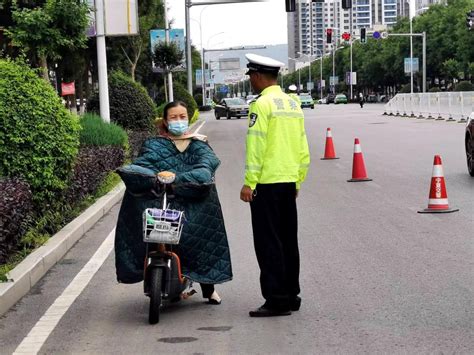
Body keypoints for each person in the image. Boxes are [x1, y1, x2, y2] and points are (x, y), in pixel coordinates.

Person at [115, 101, 232, 305]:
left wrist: (178, 178)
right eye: (174, 117)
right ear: (166, 121)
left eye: (182, 116)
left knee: (201, 234)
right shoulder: (154, 144)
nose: (179, 121)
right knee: (142, 216)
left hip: (191, 198)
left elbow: (206, 166)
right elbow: (142, 164)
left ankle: (209, 288)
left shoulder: (199, 143)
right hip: (161, 197)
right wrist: (155, 177)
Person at [240, 53, 310, 317]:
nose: (250, 83)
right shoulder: (293, 104)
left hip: (266, 184)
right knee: (288, 241)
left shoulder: (262, 105)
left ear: (257, 77)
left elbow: (256, 147)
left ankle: (277, 299)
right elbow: (303, 148)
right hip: (289, 182)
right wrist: (298, 180)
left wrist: (249, 183)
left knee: (268, 242)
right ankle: (292, 294)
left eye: (251, 78)